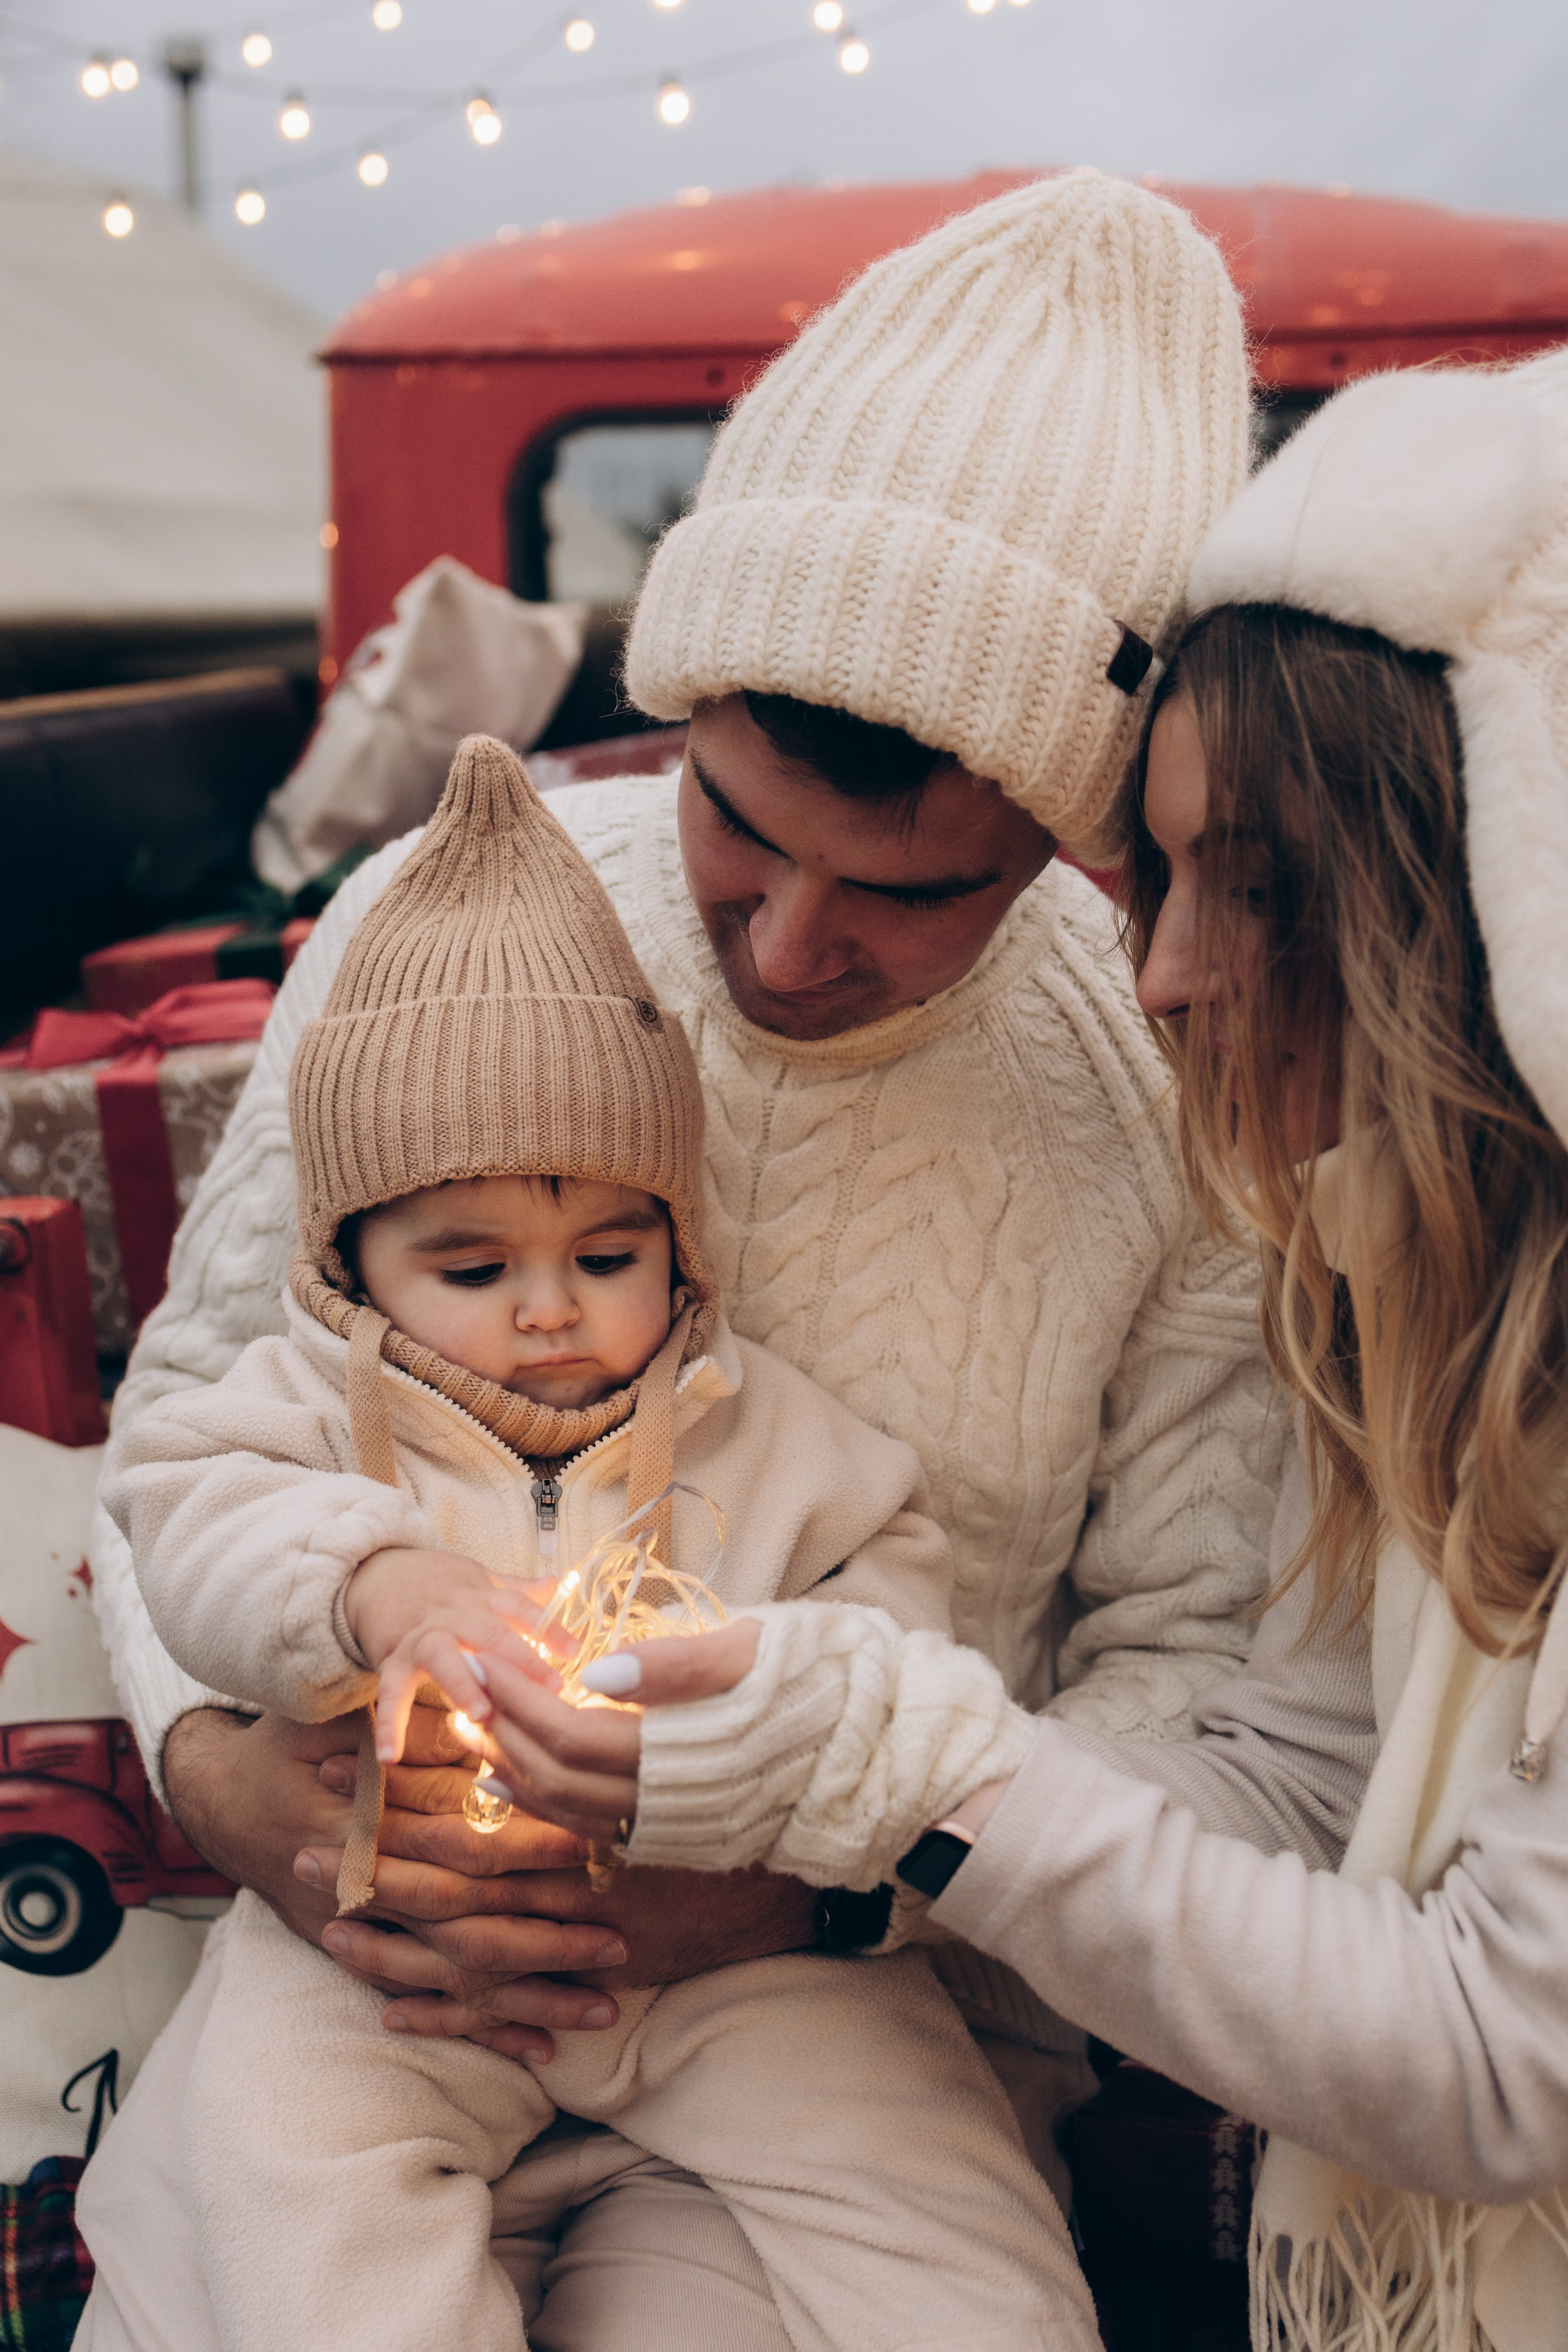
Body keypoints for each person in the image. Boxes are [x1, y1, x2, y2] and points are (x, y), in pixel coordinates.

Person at [89, 172, 1277, 2331]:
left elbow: (1202, 1691)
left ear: (1072, 834)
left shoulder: (1171, 1092)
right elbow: (188, 1430)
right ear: (684, 686)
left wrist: (814, 1902)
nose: (794, 947)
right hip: (370, 1962)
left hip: (846, 2027)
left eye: (914, 891)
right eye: (738, 822)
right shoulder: (437, 929)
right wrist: (224, 1786)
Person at [483, 348, 1568, 2352]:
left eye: (1264, 888)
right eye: (1162, 877)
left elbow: (1508, 2063)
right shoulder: (1391, 1272)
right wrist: (250, 1774)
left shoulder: (1252, 1198)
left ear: (1509, 892)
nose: (1166, 975)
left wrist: (882, 1787)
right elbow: (1303, 1758)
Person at [81, 734, 1095, 2352]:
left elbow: (893, 1615)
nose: (552, 1309)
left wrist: (767, 1731)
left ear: (678, 1243)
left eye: (609, 1255)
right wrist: (370, 1587)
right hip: (383, 1935)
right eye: (473, 1269)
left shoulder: (764, 1425)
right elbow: (182, 1514)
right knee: (289, 2172)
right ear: (352, 1266)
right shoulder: (289, 1409)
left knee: (933, 2181)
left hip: (740, 1948)